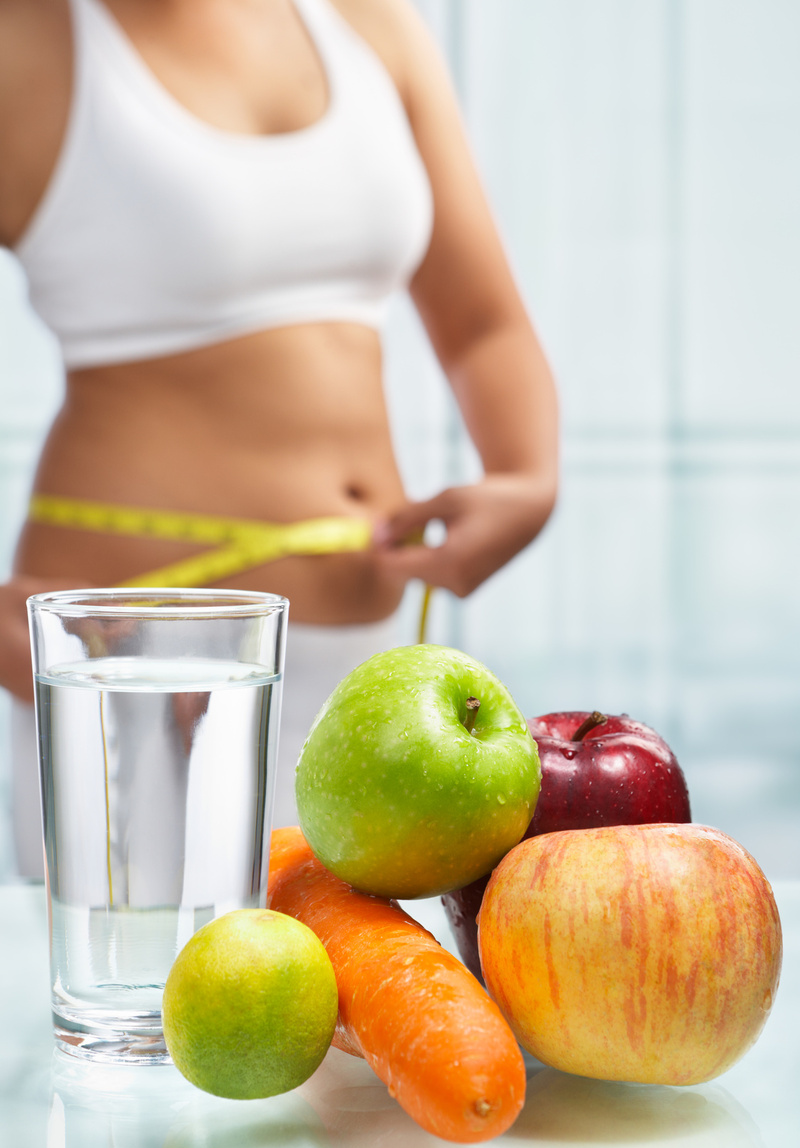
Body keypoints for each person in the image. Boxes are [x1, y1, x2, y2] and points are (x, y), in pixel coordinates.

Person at [0, 0, 558, 876]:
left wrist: (528, 479)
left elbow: (482, 323)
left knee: (367, 964)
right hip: (133, 679)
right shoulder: (27, 43)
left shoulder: (370, 24)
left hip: (371, 675)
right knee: (137, 970)